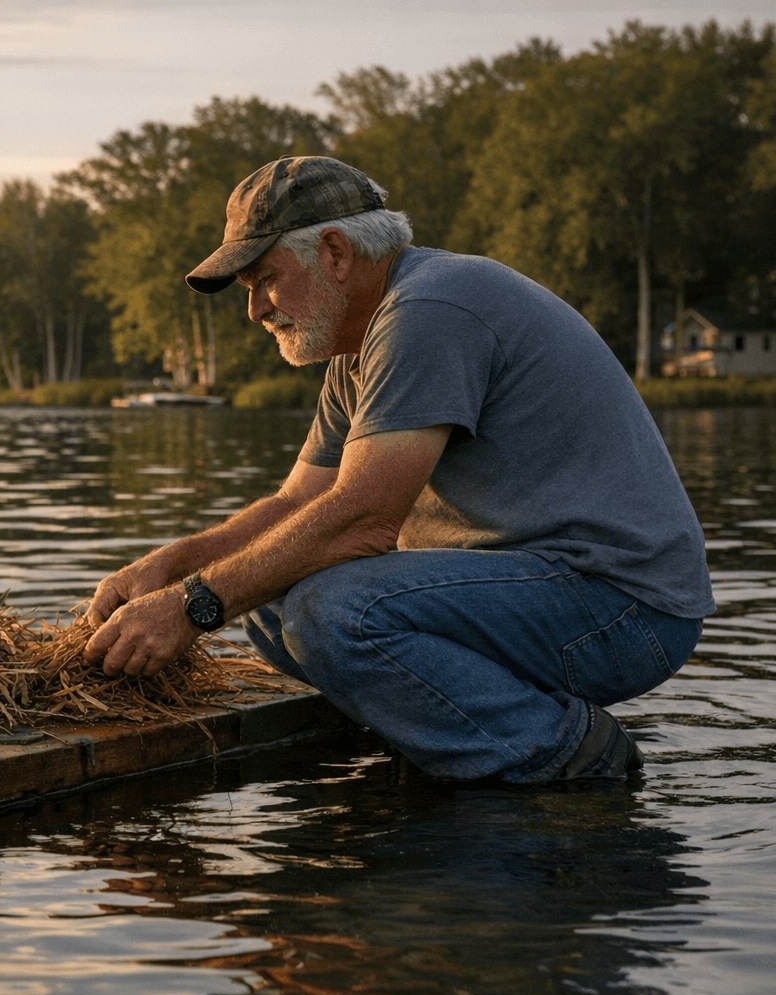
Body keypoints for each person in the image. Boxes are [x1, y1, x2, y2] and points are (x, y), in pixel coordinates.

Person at [81, 155, 713, 783]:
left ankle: (563, 752)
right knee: (271, 604)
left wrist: (191, 608)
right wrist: (171, 566)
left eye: (265, 280)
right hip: (535, 586)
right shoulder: (360, 344)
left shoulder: (428, 311)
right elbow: (299, 506)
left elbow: (363, 522)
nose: (255, 311)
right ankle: (463, 726)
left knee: (330, 614)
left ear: (333, 252)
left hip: (622, 608)